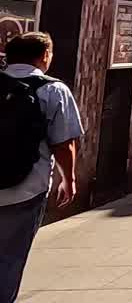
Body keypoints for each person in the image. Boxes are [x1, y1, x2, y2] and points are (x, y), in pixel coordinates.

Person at [0, 33, 82, 303]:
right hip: (25, 188)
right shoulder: (53, 90)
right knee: (9, 256)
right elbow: (64, 143)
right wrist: (68, 179)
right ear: (45, 55)